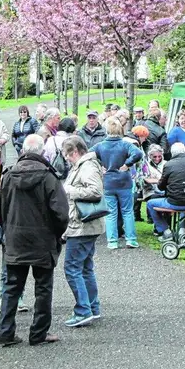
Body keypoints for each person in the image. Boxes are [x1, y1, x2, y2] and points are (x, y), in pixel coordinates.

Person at [0, 135, 71, 347]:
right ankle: (38, 333)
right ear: (42, 153)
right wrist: (56, 234)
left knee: (11, 288)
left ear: (22, 151)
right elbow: (61, 214)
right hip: (43, 242)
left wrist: (8, 229)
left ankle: (6, 333)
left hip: (15, 240)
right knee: (43, 288)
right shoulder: (49, 178)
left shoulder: (8, 177)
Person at [59, 136, 105, 327]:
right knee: (85, 268)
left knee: (72, 268)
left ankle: (83, 311)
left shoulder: (87, 166)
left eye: (67, 156)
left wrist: (69, 190)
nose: (67, 159)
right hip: (85, 225)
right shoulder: (85, 165)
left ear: (75, 152)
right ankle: (92, 308)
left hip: (82, 226)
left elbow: (96, 191)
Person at [92, 115, 145, 250]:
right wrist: (127, 164)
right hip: (124, 182)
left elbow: (88, 155)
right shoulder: (125, 144)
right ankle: (131, 239)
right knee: (127, 211)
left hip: (108, 182)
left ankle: (112, 241)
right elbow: (138, 153)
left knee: (111, 213)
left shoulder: (100, 146)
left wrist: (99, 165)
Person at [149, 142, 185, 238]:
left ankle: (165, 230)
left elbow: (161, 186)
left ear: (172, 153)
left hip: (174, 202)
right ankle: (182, 230)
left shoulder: (169, 165)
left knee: (150, 203)